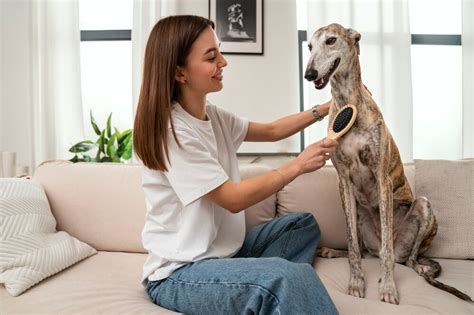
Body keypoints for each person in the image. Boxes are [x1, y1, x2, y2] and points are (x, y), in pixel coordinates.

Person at [133, 15, 339, 314]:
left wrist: (325, 108)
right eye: (211, 56)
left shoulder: (212, 116)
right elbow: (232, 199)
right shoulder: (172, 132)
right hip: (180, 274)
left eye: (219, 52)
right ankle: (265, 287)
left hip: (225, 256)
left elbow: (271, 131)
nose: (224, 62)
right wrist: (297, 165)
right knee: (286, 277)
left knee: (300, 224)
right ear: (180, 73)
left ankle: (249, 287)